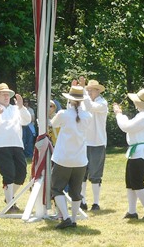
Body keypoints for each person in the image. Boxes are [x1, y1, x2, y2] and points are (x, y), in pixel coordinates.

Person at [0, 83, 31, 212]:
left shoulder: (16, 109)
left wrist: (21, 107)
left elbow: (26, 121)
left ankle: (10, 197)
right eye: (3, 94)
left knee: (21, 173)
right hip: (0, 145)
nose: (6, 96)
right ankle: (10, 203)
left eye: (8, 94)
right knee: (9, 174)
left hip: (17, 144)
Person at [50, 85, 92, 229]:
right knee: (76, 191)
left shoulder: (63, 114)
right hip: (80, 159)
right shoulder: (88, 116)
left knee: (56, 188)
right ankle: (73, 219)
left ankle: (66, 217)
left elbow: (52, 124)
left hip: (63, 158)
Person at [113, 89, 144, 220]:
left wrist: (118, 114)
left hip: (142, 151)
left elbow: (126, 126)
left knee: (137, 181)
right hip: (138, 151)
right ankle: (132, 212)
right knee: (130, 182)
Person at [79, 79, 108, 211]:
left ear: (98, 91)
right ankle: (82, 201)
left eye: (91, 90)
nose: (89, 92)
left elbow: (90, 106)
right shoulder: (86, 101)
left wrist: (83, 91)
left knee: (95, 175)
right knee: (82, 173)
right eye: (88, 90)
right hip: (84, 142)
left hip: (97, 142)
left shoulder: (102, 103)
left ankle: (96, 203)